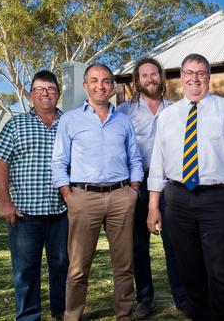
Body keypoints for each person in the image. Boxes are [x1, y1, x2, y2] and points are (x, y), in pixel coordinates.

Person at [146, 53, 224, 321]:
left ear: (208, 77)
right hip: (177, 199)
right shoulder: (167, 116)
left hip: (217, 199)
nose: (194, 78)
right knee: (190, 270)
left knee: (219, 270)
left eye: (200, 73)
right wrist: (153, 206)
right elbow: (158, 164)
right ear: (181, 77)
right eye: (189, 72)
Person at [51, 63, 143, 321]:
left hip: (120, 197)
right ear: (85, 85)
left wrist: (133, 191)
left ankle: (124, 315)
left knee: (124, 265)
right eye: (94, 80)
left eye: (105, 81)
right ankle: (73, 316)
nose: (100, 85)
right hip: (83, 198)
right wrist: (69, 196)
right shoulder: (70, 120)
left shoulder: (124, 121)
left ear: (112, 87)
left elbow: (135, 159)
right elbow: (58, 161)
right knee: (78, 267)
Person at [0, 70, 69, 321]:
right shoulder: (15, 124)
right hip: (25, 214)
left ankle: (62, 313)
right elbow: (0, 162)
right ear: (31, 94)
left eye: (51, 89)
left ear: (58, 93)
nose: (45, 93)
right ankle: (28, 317)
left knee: (62, 267)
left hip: (62, 212)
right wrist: (5, 203)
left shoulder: (70, 123)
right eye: (39, 89)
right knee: (25, 270)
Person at [117, 57, 186, 318]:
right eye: (144, 75)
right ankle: (144, 297)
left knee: (175, 243)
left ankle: (182, 297)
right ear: (137, 80)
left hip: (169, 184)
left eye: (154, 74)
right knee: (138, 245)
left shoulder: (175, 110)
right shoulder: (124, 111)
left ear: (161, 78)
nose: (150, 79)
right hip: (137, 181)